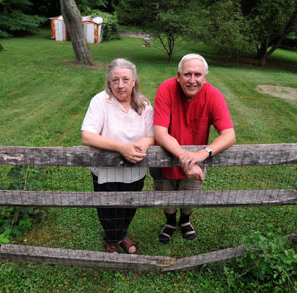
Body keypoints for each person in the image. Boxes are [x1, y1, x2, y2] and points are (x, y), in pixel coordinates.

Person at [153, 53, 236, 244]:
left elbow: (229, 135)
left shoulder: (213, 95)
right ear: (178, 75)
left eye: (197, 75)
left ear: (205, 77)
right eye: (187, 74)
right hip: (165, 157)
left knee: (191, 196)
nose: (192, 80)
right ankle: (170, 222)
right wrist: (184, 156)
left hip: (196, 160)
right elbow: (160, 132)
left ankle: (185, 220)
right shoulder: (166, 88)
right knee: (165, 195)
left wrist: (201, 154)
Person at [81, 58, 154, 253]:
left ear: (134, 81)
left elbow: (151, 135)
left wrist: (145, 142)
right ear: (109, 82)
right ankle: (111, 240)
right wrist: (122, 148)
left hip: (135, 170)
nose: (120, 85)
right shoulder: (100, 101)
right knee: (108, 209)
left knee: (128, 207)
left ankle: (119, 235)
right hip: (107, 171)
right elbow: (87, 136)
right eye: (115, 80)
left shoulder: (145, 105)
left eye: (125, 79)